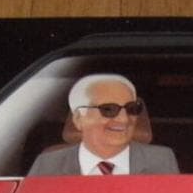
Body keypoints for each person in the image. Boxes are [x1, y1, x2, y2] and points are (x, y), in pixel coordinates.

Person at [28, 73, 179, 175]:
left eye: (131, 109)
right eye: (108, 109)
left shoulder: (161, 161)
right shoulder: (48, 165)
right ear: (79, 119)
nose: (124, 119)